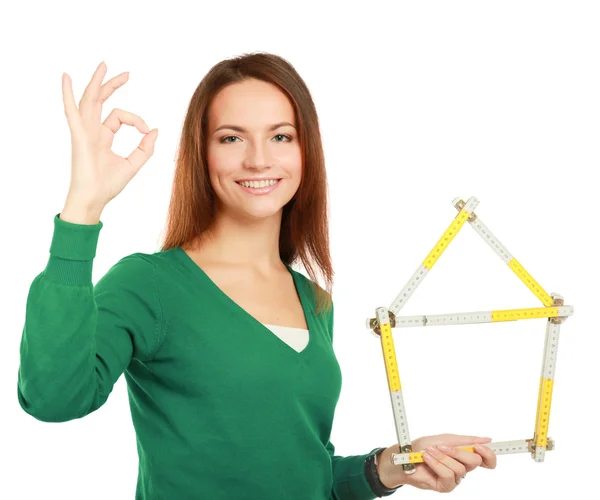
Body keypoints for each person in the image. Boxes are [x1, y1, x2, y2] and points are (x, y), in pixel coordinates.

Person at [17, 53, 497, 499]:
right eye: (231, 138)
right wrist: (83, 209)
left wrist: (390, 467)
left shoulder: (314, 299)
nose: (258, 159)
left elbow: (302, 471)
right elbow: (53, 398)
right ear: (201, 155)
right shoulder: (149, 284)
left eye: (281, 136)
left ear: (305, 152)